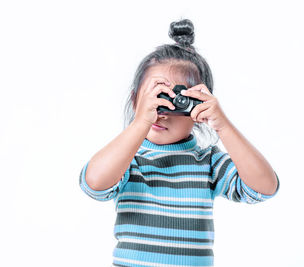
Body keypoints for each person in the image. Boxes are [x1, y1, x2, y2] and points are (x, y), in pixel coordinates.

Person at [78, 18, 280, 267]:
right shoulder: (128, 158)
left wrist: (223, 125)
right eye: (156, 99)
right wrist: (139, 123)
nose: (161, 112)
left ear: (199, 107)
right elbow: (93, 185)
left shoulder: (208, 162)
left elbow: (263, 188)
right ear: (135, 102)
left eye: (174, 102)